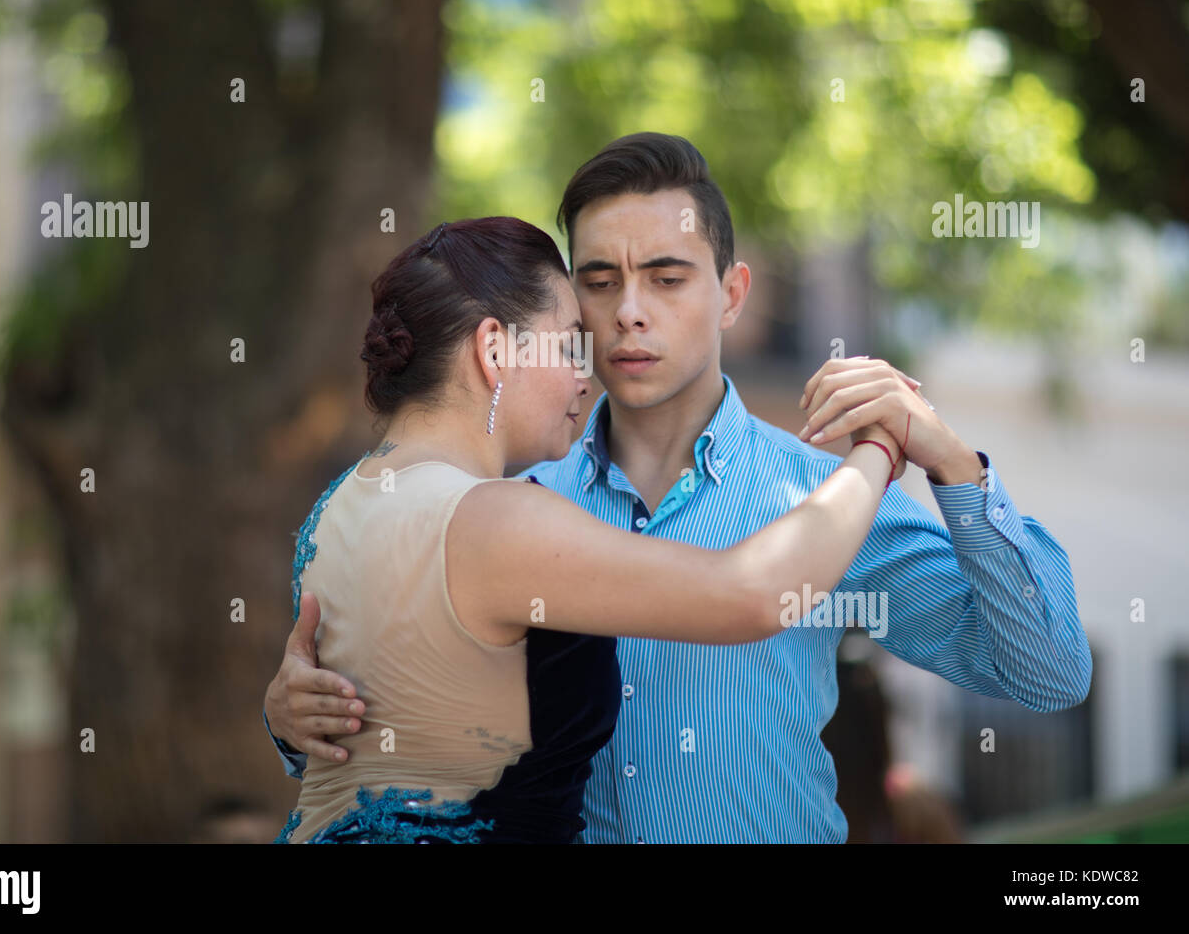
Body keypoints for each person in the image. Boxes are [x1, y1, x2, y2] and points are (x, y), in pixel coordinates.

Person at [267, 133, 1091, 843]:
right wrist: (295, 720)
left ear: (731, 293)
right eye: (597, 279)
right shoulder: (502, 501)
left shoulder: (820, 499)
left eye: (666, 277)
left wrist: (953, 463)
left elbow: (1049, 671)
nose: (628, 311)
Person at [272, 214, 904, 843]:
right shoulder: (497, 517)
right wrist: (875, 452)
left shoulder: (337, 507)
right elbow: (753, 593)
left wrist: (281, 717)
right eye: (570, 343)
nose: (587, 373)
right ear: (494, 350)